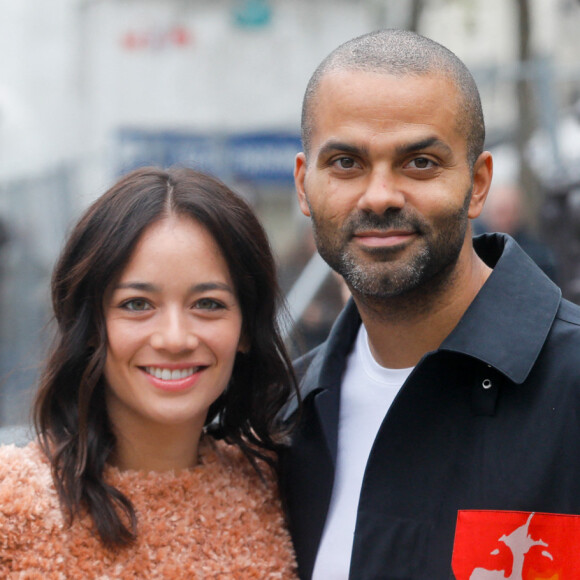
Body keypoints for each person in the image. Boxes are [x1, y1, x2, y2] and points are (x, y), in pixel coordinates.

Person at [280, 29, 580, 579]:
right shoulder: (280, 421)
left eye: (420, 163)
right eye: (346, 162)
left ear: (478, 184)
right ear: (304, 185)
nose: (379, 196)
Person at [0, 166, 298, 578]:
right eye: (137, 304)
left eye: (208, 304)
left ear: (246, 329)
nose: (174, 339)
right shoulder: (12, 510)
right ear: (90, 326)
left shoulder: (282, 491)